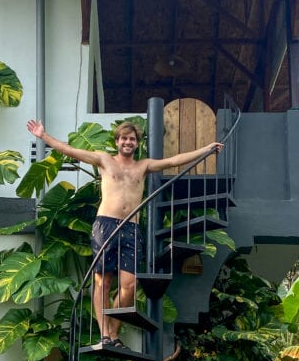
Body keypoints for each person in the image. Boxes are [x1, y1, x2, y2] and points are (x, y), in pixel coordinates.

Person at [26, 119, 223, 349]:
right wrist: (44, 136)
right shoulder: (104, 160)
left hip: (131, 228)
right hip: (105, 226)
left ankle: (113, 331)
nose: (128, 142)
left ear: (136, 144)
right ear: (117, 141)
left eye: (132, 139)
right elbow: (72, 150)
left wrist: (206, 150)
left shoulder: (144, 165)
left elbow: (172, 160)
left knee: (129, 285)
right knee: (103, 281)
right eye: (124, 138)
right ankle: (104, 334)